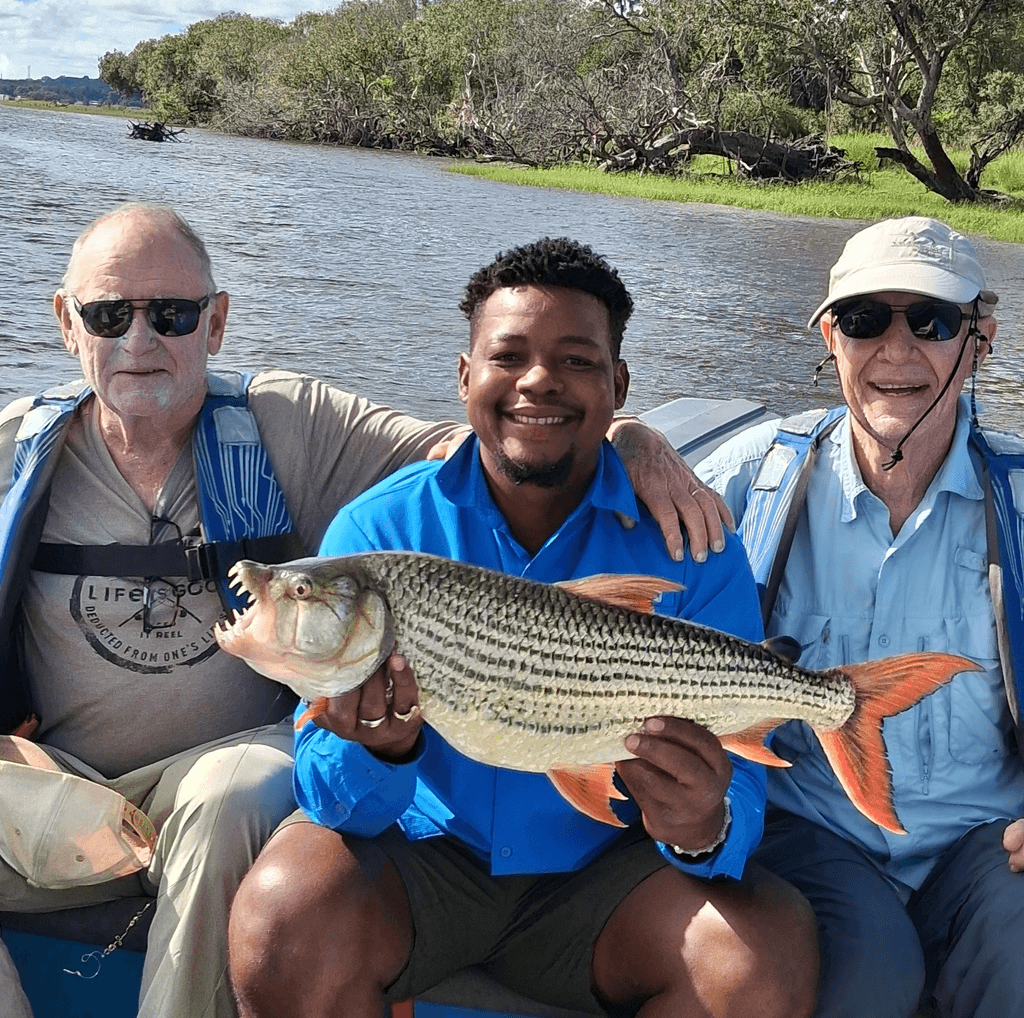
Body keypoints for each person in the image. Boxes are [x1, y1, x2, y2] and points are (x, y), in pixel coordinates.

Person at [0, 205, 734, 1018]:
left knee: (236, 799)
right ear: (66, 323)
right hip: (50, 775)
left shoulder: (294, 425)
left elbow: (500, 437)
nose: (140, 341)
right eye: (109, 314)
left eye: (171, 314)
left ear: (216, 321)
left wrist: (630, 438)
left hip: (226, 779)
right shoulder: (12, 450)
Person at [228, 237, 820, 1018]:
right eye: (508, 356)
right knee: (280, 921)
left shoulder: (690, 536)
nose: (538, 380)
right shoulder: (378, 528)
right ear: (465, 375)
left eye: (576, 360)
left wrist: (703, 825)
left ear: (619, 386)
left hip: (611, 875)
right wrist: (378, 749)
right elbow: (337, 806)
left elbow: (742, 770)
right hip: (423, 861)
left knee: (765, 960)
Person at [695, 216, 1024, 1018]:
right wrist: (631, 439)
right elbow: (588, 525)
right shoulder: (746, 480)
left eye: (933, 321)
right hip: (810, 834)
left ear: (979, 341)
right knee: (866, 982)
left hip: (988, 847)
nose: (897, 350)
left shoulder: (1016, 500)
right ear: (829, 337)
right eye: (866, 319)